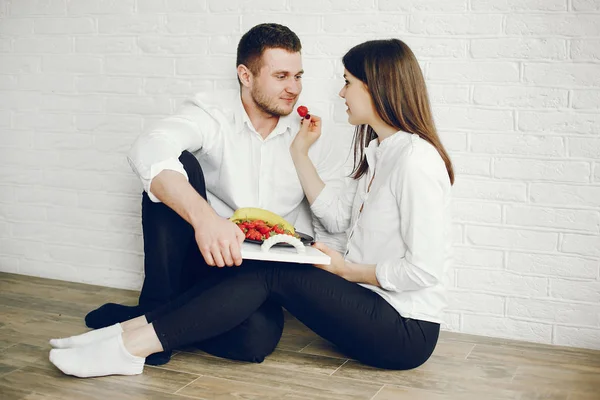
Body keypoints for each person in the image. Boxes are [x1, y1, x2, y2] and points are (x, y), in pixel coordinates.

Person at [49, 38, 454, 377]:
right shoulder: (379, 154)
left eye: (347, 83)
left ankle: (129, 343)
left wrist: (347, 269)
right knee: (266, 260)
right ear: (247, 75)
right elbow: (332, 215)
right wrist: (300, 152)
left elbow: (424, 270)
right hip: (366, 302)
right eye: (282, 75)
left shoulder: (416, 161)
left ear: (376, 87)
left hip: (405, 330)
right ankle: (128, 336)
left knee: (275, 274)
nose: (340, 93)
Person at [83, 23, 349, 366]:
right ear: (246, 75)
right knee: (179, 164)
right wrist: (206, 219)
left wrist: (302, 154)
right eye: (281, 76)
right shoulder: (212, 114)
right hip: (203, 253)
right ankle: (160, 309)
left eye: (298, 76)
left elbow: (333, 219)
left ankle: (156, 317)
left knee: (254, 343)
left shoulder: (309, 134)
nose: (293, 88)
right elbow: (149, 147)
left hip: (255, 273)